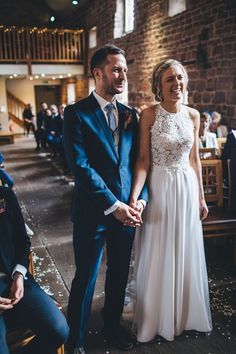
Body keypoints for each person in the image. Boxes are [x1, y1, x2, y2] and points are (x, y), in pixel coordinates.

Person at [63, 44, 148, 354]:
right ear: (97, 73)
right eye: (116, 69)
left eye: (125, 69)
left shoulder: (130, 115)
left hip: (128, 211)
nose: (123, 75)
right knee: (85, 276)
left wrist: (140, 201)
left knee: (118, 274)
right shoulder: (75, 114)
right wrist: (114, 206)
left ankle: (111, 326)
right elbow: (80, 167)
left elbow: (139, 161)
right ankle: (76, 340)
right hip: (93, 211)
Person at [130, 59, 212, 343]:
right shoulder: (149, 115)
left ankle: (186, 315)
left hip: (187, 188)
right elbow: (142, 161)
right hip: (160, 187)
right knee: (160, 248)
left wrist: (201, 197)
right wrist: (134, 197)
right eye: (169, 79)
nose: (176, 84)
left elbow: (195, 160)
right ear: (158, 86)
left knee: (185, 248)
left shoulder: (193, 115)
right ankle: (158, 318)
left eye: (179, 78)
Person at [0, 186, 69, 354]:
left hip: (12, 280)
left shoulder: (5, 194)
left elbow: (22, 241)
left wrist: (18, 275)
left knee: (59, 330)